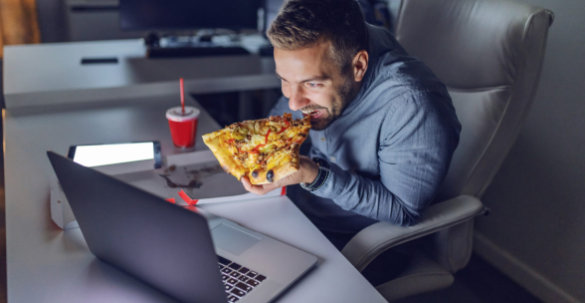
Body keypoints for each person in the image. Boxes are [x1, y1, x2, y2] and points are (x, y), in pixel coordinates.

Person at [241, 0, 461, 284]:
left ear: (358, 66)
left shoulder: (413, 105)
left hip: (362, 243)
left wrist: (313, 175)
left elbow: (404, 211)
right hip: (298, 214)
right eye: (284, 79)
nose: (294, 101)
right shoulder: (325, 52)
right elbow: (284, 113)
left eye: (312, 84)